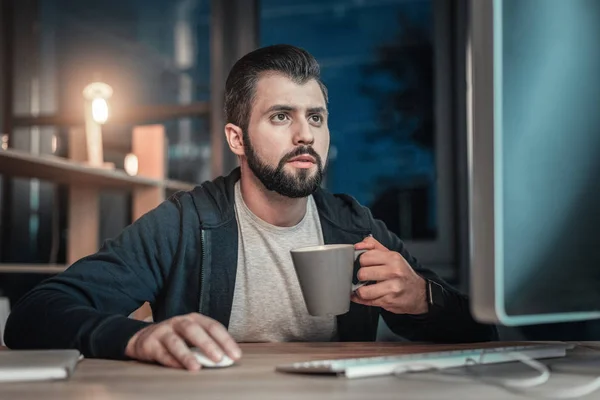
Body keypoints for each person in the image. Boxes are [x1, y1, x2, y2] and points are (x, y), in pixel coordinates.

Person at [4, 44, 497, 370]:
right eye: (281, 116)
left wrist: (423, 298)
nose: (305, 134)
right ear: (236, 138)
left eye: (316, 117)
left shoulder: (352, 223)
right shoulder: (185, 223)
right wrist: (135, 339)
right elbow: (32, 317)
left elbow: (482, 330)